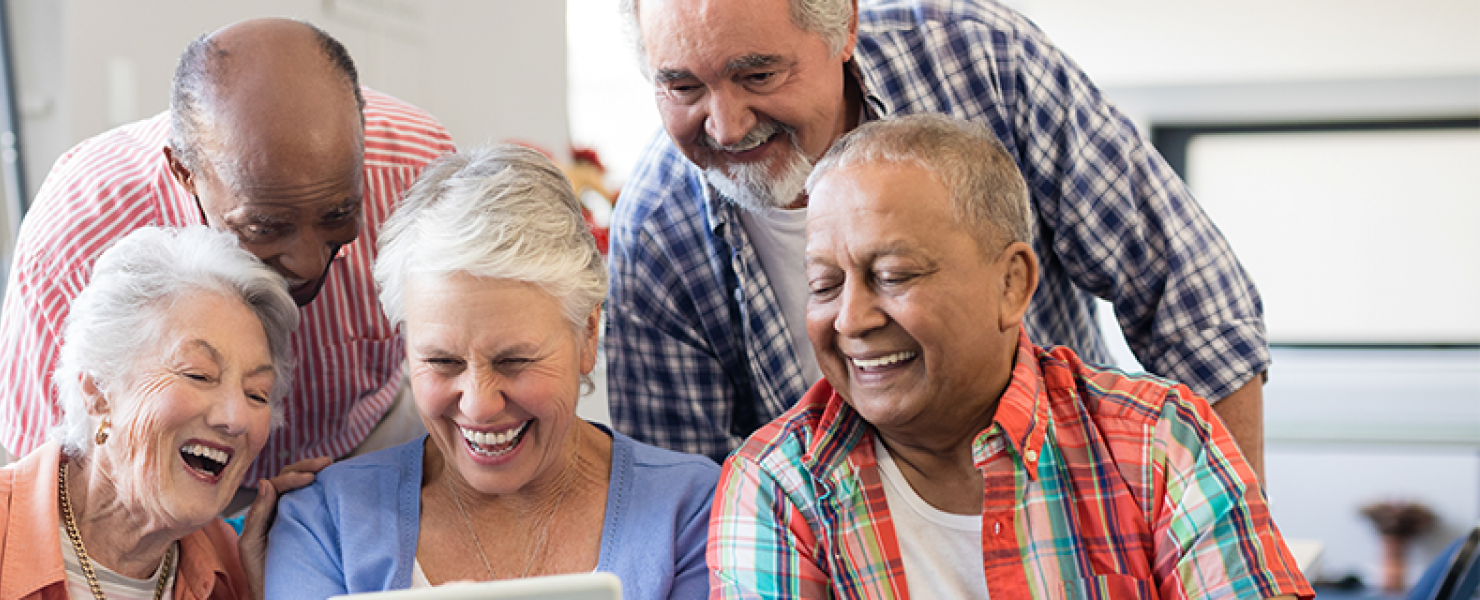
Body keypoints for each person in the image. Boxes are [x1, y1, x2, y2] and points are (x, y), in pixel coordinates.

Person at [607, 0, 1272, 475]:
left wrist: (1226, 536)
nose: (724, 127)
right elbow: (690, 493)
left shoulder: (986, 63)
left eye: (758, 75)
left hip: (1077, 518)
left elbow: (1195, 305)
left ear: (844, 27)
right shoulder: (658, 232)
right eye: (683, 86)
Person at [708, 115, 1311, 599]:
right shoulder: (777, 487)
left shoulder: (1156, 442)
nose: (851, 319)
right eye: (823, 284)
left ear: (1012, 284)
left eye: (893, 275)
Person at [0, 18, 454, 485]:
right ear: (184, 172)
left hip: (366, 445)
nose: (310, 263)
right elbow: (45, 467)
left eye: (339, 214)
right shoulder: (77, 231)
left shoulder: (417, 170)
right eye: (266, 226)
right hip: (172, 485)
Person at [264, 145, 719, 599]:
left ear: (588, 334)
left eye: (514, 361)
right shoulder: (326, 523)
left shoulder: (694, 510)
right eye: (443, 362)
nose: (479, 405)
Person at [0, 226, 315, 599]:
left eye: (257, 393)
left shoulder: (232, 573)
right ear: (98, 392)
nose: (235, 417)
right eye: (198, 374)